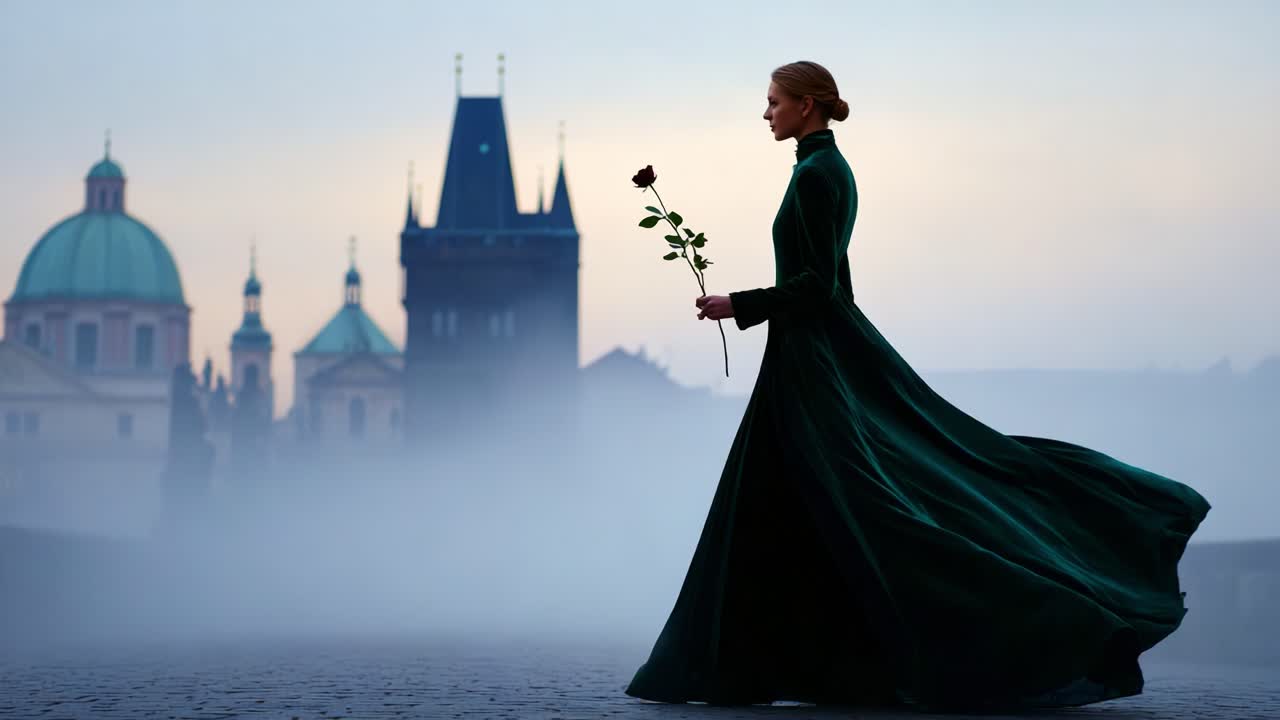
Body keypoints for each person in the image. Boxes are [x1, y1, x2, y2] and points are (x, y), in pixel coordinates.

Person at [624, 60, 1211, 712]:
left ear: (807, 105)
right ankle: (757, 667)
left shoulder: (821, 176)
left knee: (871, 504)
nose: (765, 113)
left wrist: (741, 302)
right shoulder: (815, 169)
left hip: (813, 365)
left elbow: (821, 288)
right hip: (803, 359)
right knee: (780, 503)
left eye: (773, 102)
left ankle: (1045, 624)